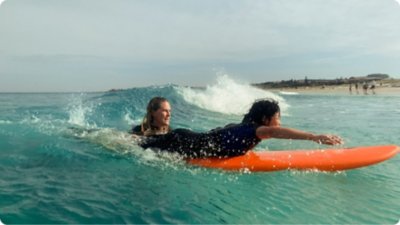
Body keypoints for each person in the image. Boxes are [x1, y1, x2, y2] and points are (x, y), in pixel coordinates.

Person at [138, 99, 343, 159]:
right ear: (265, 119)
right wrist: (315, 137)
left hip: (189, 138)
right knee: (138, 145)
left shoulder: (248, 128)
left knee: (144, 143)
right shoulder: (259, 129)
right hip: (183, 141)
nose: (279, 122)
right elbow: (273, 132)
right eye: (277, 117)